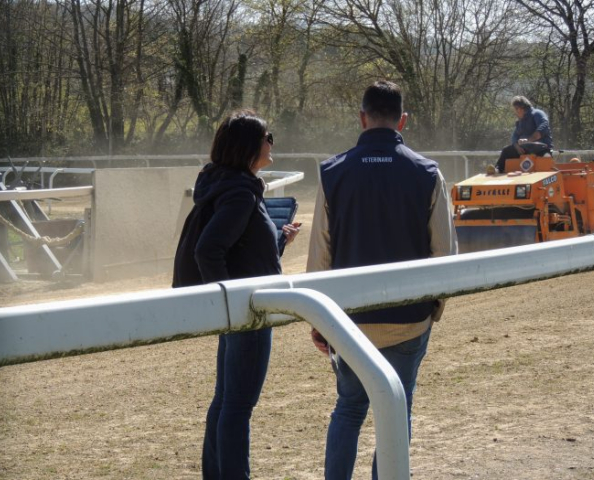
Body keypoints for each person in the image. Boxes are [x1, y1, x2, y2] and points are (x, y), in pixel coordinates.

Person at [307, 80, 458, 480]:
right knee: (398, 409)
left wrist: (319, 319)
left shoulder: (331, 172)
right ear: (402, 121)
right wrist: (433, 309)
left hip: (348, 323)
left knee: (348, 408)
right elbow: (444, 253)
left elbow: (320, 254)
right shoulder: (428, 173)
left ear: (362, 118)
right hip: (409, 320)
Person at [172, 109, 300, 480]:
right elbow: (208, 250)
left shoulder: (225, 183)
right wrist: (228, 305)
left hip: (238, 309)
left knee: (226, 400)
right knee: (238, 405)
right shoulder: (241, 192)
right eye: (267, 137)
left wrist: (279, 241)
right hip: (246, 311)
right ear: (250, 146)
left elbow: (241, 251)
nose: (271, 143)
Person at [494, 96, 553, 173]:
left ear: (520, 108)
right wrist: (517, 146)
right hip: (525, 150)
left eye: (516, 109)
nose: (515, 112)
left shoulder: (537, 113)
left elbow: (543, 127)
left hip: (541, 149)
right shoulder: (520, 121)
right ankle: (497, 169)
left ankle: (545, 162)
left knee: (545, 154)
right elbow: (515, 136)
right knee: (506, 151)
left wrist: (528, 140)